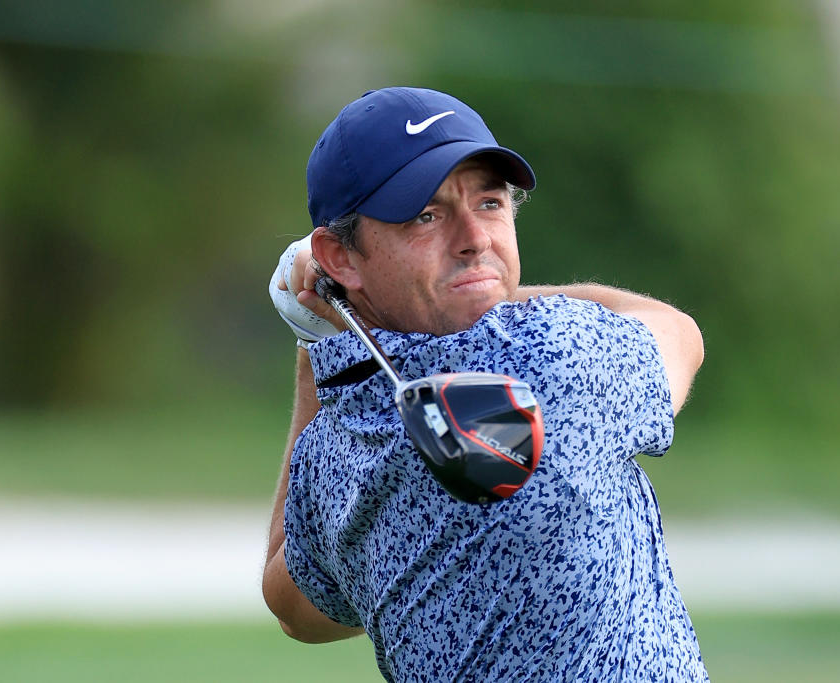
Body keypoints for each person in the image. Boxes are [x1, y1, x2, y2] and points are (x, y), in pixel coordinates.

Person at [262, 87, 708, 681]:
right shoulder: (555, 358)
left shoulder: (336, 448)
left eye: (491, 203)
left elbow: (294, 607)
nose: (475, 237)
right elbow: (676, 332)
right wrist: (490, 287)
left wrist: (319, 328)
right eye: (427, 214)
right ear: (340, 256)